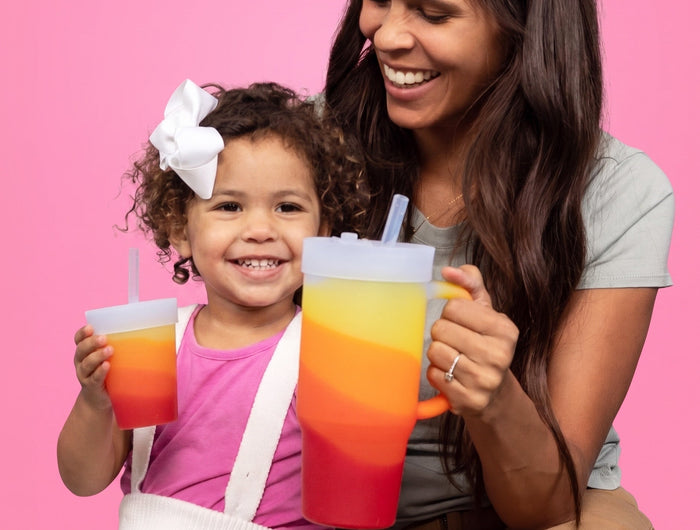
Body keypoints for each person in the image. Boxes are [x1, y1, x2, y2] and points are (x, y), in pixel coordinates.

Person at [322, 0, 674, 528]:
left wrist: (494, 401)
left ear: (523, 32)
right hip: (321, 490)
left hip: (535, 497)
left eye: (434, 14)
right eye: (378, 0)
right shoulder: (304, 150)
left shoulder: (618, 190)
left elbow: (548, 507)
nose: (387, 35)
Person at [57, 79, 367, 529]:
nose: (261, 229)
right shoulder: (150, 344)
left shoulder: (327, 352)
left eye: (287, 207)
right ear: (179, 228)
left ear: (323, 231)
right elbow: (83, 479)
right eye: (229, 207)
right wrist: (95, 403)